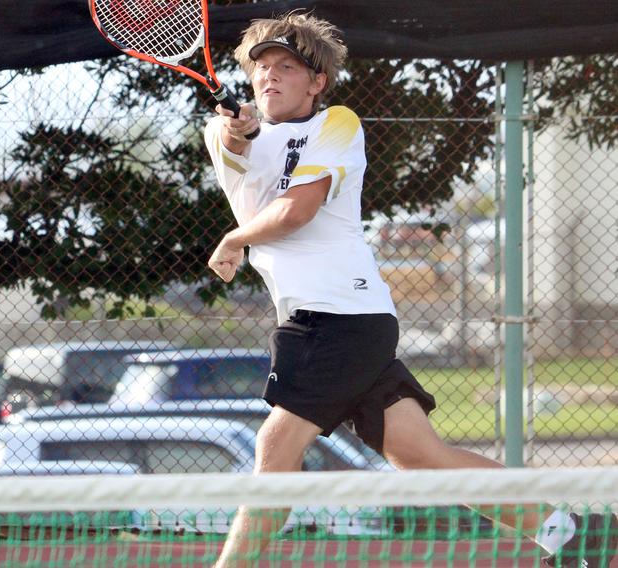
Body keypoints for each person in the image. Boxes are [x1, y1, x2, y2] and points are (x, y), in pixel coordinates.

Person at [203, 11, 617, 568]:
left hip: (337, 319)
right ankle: (569, 531)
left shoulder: (338, 125)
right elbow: (241, 147)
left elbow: (294, 210)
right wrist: (241, 131)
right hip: (337, 318)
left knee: (275, 449)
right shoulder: (224, 130)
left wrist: (233, 238)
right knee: (421, 454)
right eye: (261, 68)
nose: (270, 76)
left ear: (317, 81)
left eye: (287, 67)